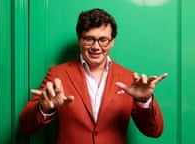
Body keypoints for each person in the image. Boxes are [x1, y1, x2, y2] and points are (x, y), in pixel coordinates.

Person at [19, 8, 167, 144]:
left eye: (103, 40)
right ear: (79, 39)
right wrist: (45, 108)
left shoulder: (129, 79)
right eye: (89, 39)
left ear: (112, 41)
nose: (96, 47)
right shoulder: (58, 75)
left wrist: (144, 100)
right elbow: (26, 126)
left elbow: (154, 131)